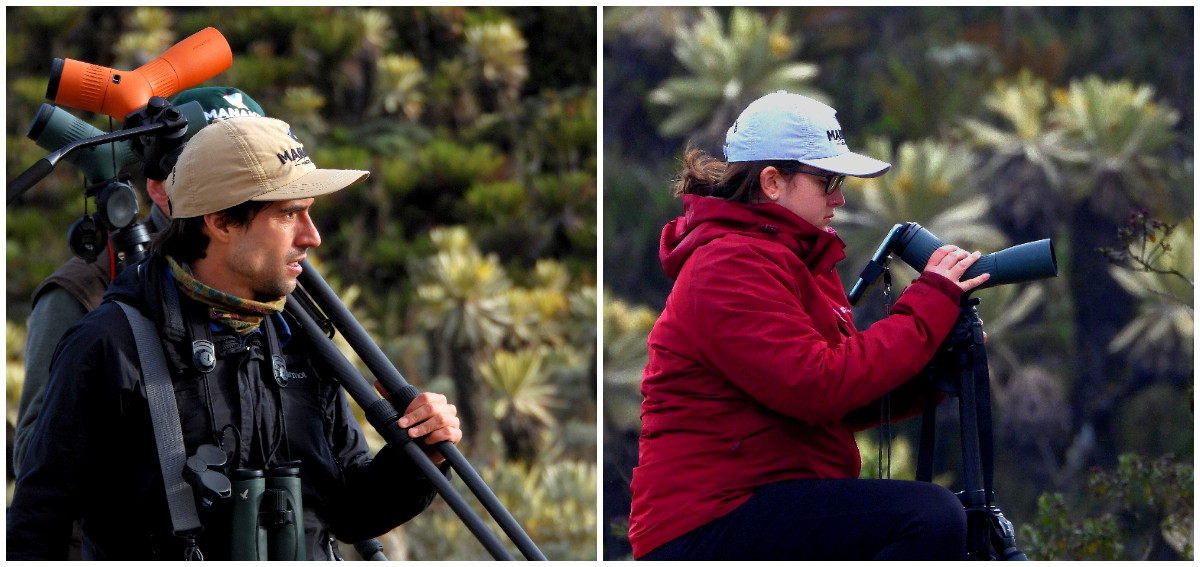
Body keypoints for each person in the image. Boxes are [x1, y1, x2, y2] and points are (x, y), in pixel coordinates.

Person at [7, 115, 462, 560]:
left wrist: (418, 457)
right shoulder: (110, 344)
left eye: (309, 214)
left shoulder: (301, 337)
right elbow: (38, 527)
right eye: (289, 214)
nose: (313, 237)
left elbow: (346, 513)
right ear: (221, 222)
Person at [627, 91, 990, 560]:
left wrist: (935, 367)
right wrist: (931, 302)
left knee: (933, 516)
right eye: (828, 180)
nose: (839, 197)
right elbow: (817, 386)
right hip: (705, 522)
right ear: (773, 182)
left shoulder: (791, 257)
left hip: (753, 503)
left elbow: (838, 400)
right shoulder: (728, 263)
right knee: (928, 517)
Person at [12, 86, 267, 477]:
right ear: (159, 187)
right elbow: (34, 456)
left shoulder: (275, 280)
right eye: (221, 174)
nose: (247, 196)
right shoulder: (84, 290)